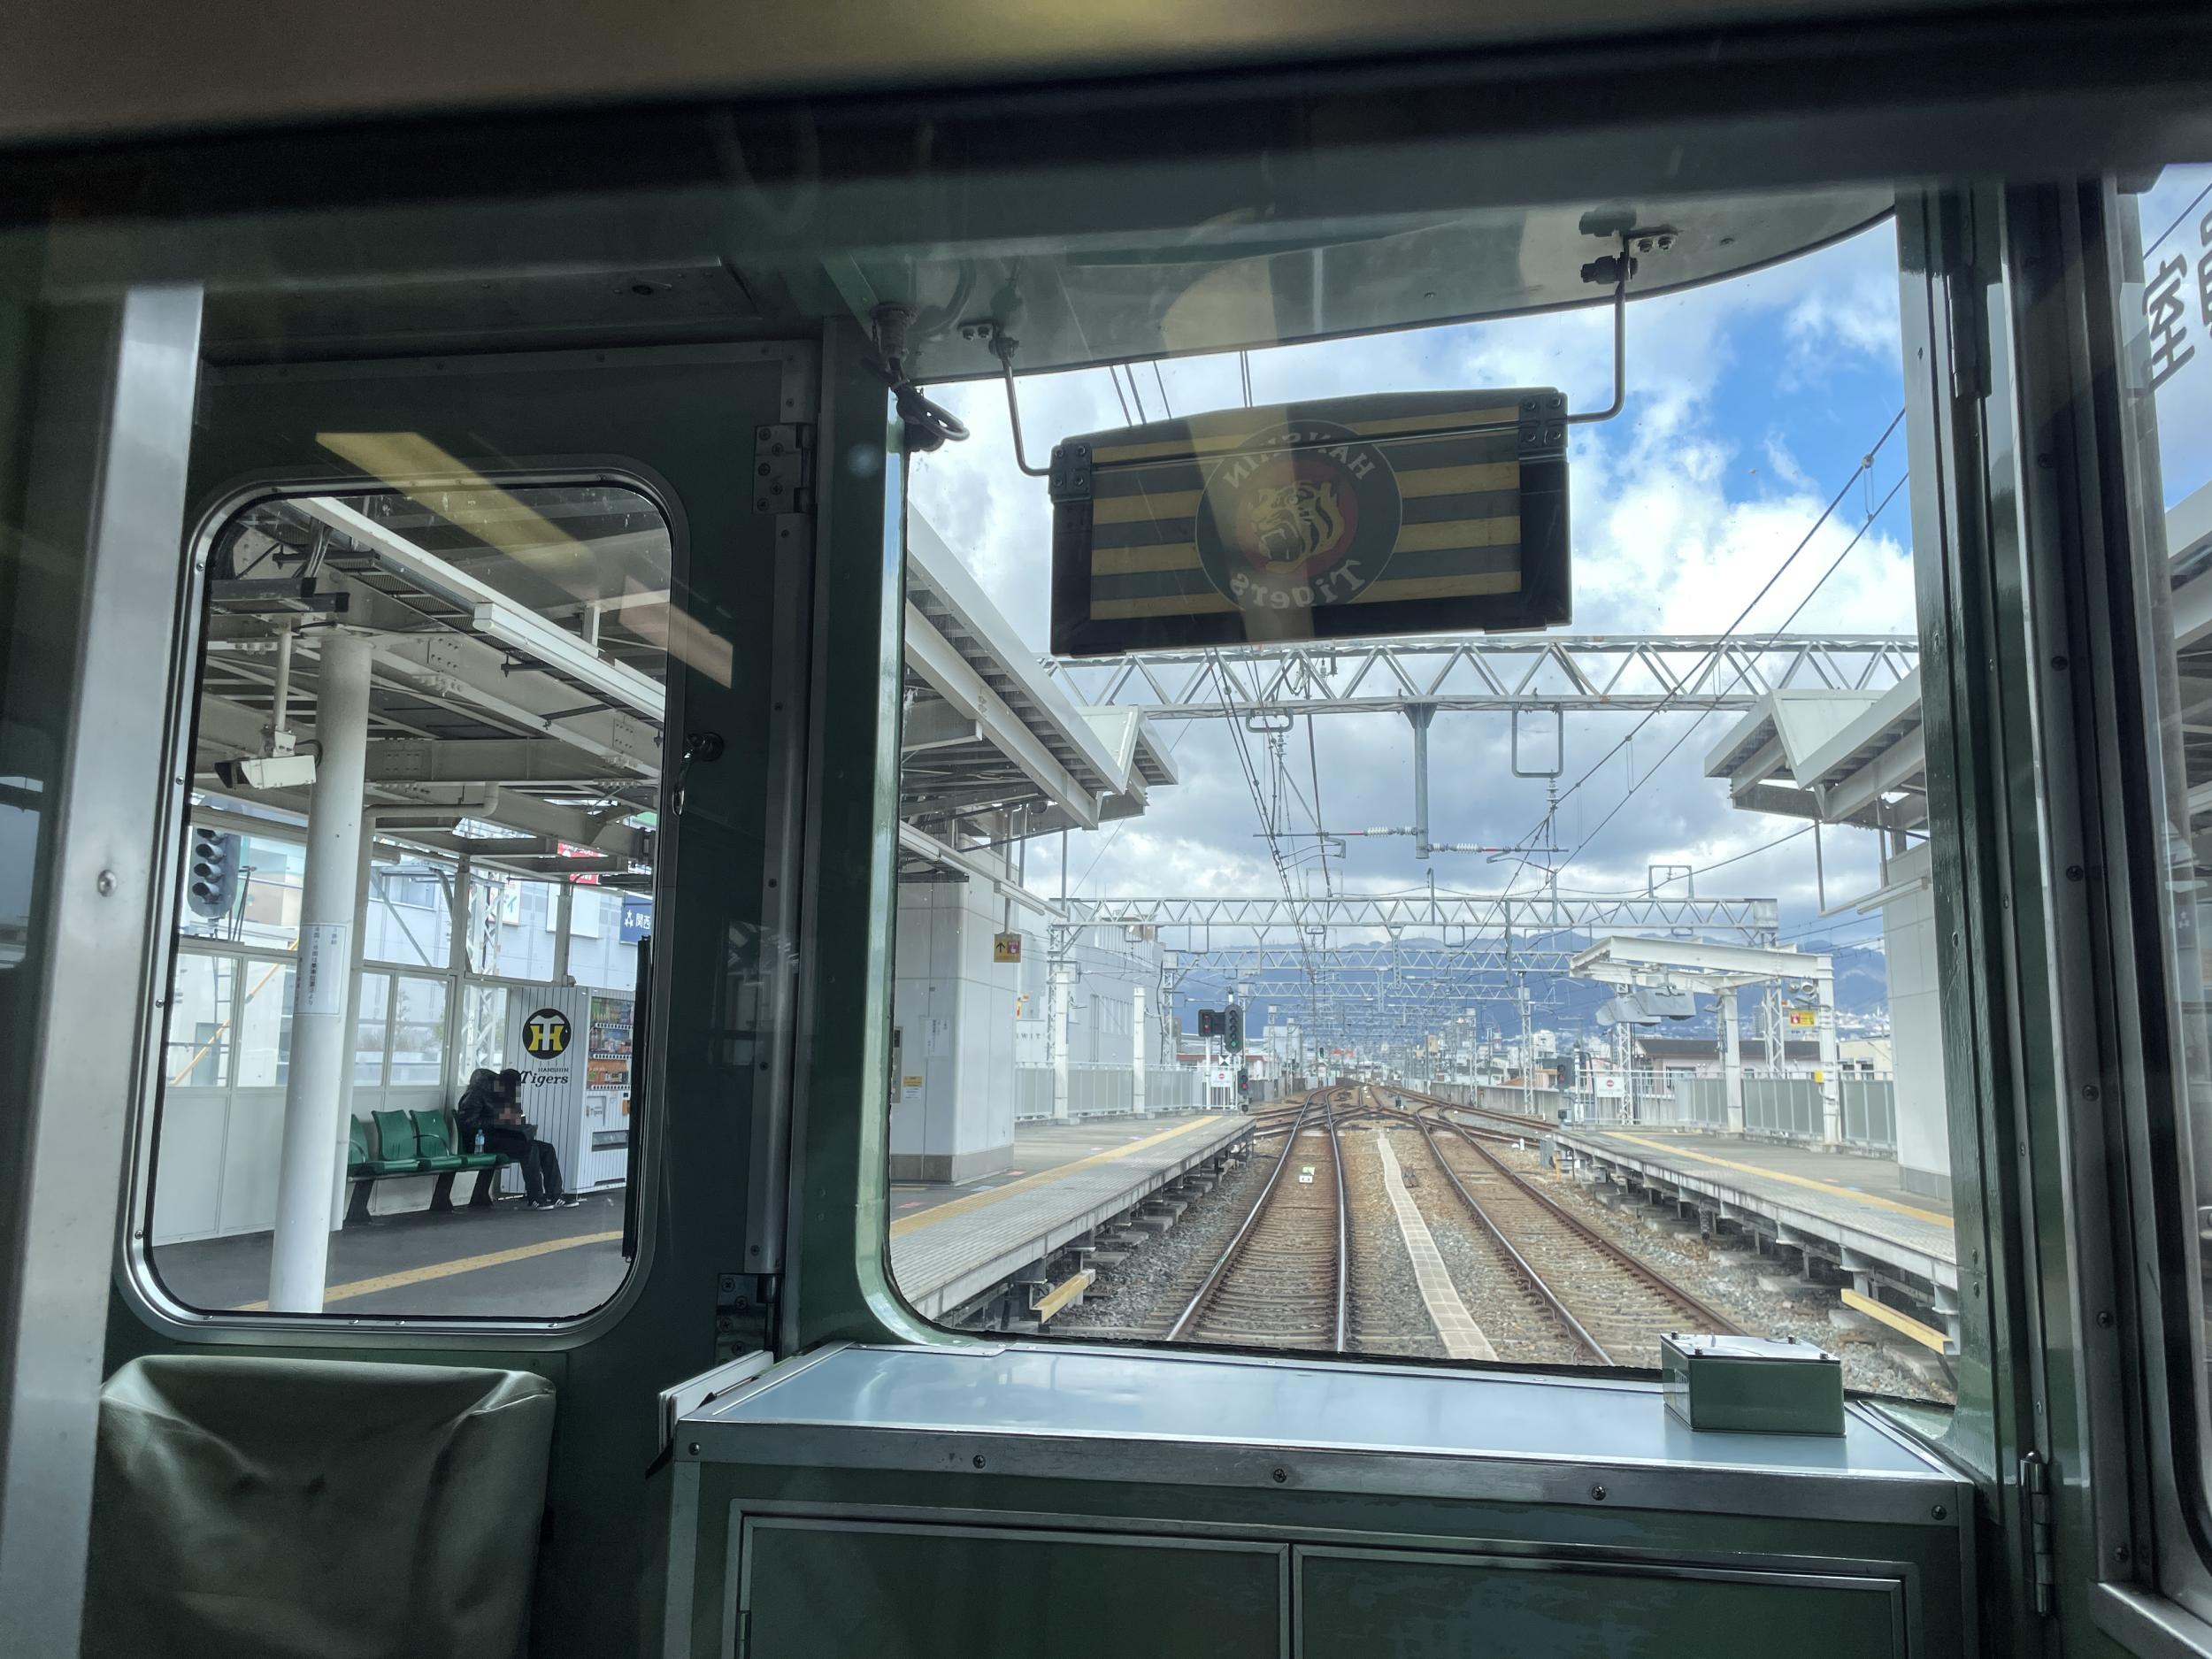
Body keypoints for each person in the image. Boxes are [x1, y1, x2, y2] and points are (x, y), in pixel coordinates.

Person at [476, 1067, 579, 1210]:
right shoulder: (476, 1096)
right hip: (486, 1141)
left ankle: (555, 1194)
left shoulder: (503, 1096)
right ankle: (535, 1197)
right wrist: (499, 1121)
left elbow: (513, 1119)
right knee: (529, 1148)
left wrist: (520, 1123)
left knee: (547, 1148)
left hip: (506, 1138)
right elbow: (469, 1123)